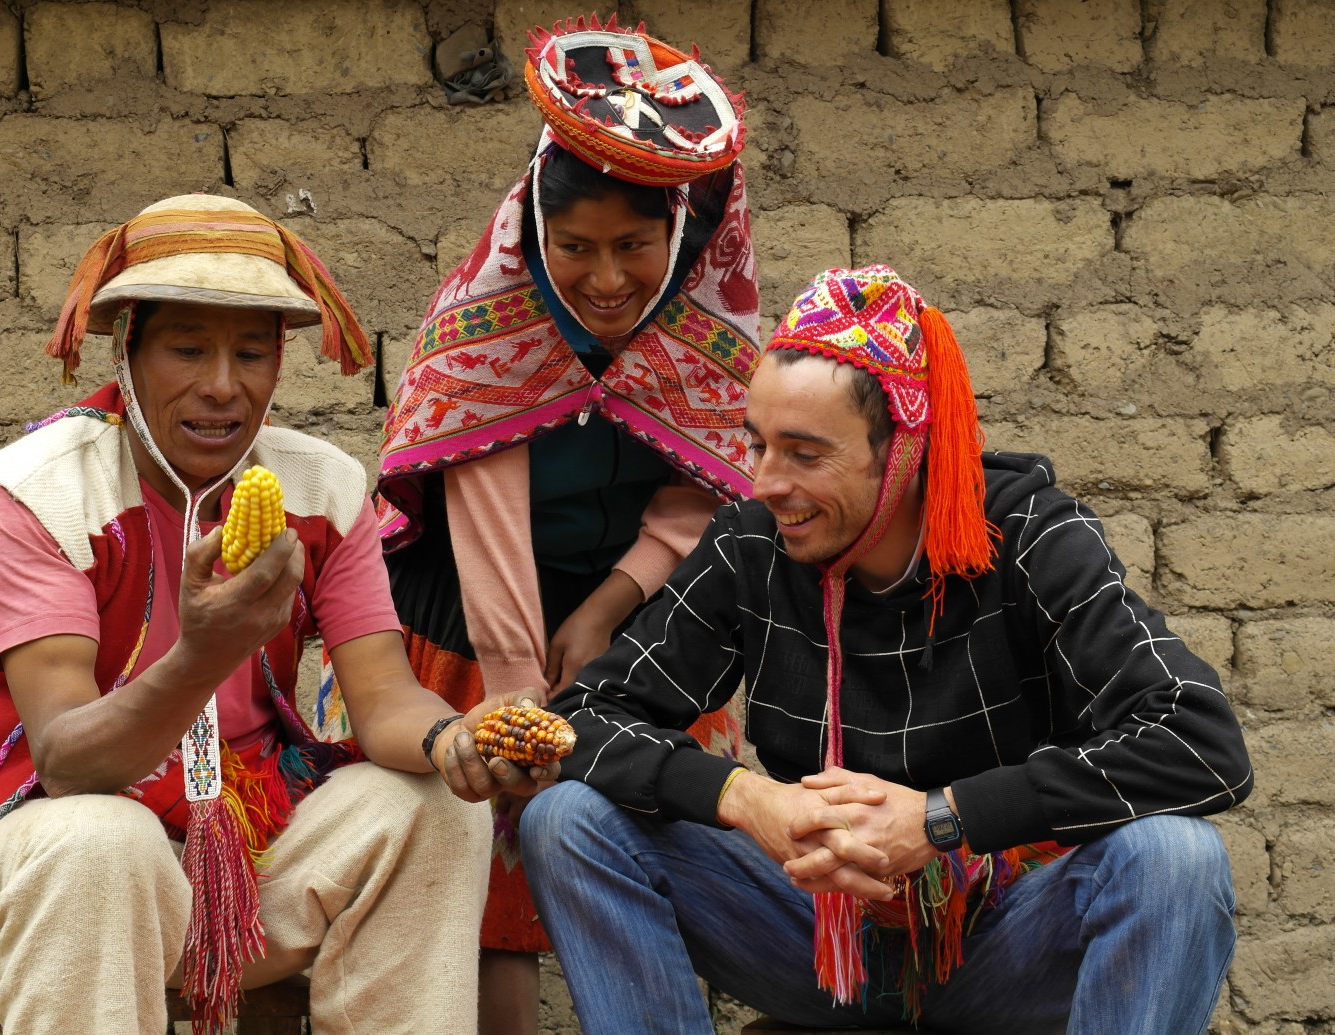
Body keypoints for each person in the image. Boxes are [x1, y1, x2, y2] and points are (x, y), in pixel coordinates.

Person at [517, 265, 1255, 1035]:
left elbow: (1201, 743)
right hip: (815, 938)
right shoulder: (752, 545)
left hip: (1007, 939)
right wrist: (752, 801)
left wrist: (942, 817)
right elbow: (584, 716)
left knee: (1177, 856)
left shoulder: (1032, 536)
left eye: (804, 453)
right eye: (757, 444)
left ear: (902, 448)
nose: (765, 481)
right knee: (570, 820)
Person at [0, 193, 527, 1035]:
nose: (224, 387)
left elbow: (384, 695)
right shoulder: (33, 495)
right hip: (36, 864)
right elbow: (68, 761)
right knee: (103, 841)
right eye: (187, 348)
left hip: (242, 852)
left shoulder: (322, 488)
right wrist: (200, 657)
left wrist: (455, 741)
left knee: (435, 809)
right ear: (128, 348)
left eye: (252, 353)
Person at [330, 16, 760, 1035]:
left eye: (631, 246)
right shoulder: (486, 328)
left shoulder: (712, 331)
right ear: (534, 232)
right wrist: (520, 709)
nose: (605, 278)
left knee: (663, 851)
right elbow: (482, 520)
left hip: (648, 628)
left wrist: (613, 608)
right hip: (471, 626)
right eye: (575, 248)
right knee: (480, 885)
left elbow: (706, 491)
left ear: (676, 238)